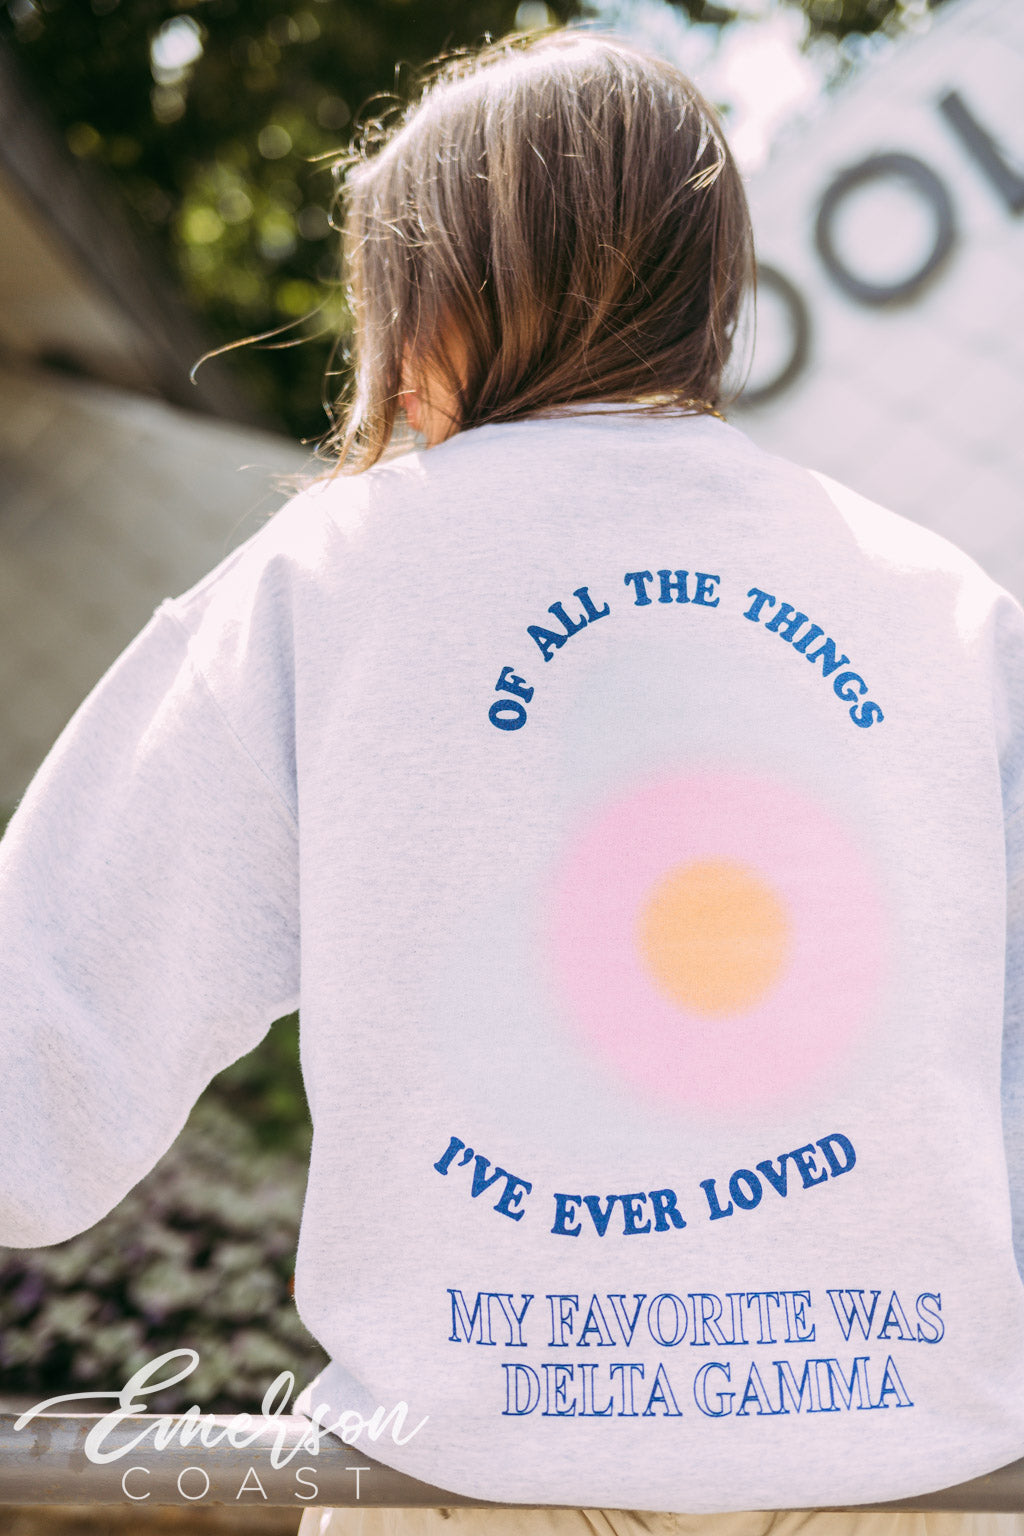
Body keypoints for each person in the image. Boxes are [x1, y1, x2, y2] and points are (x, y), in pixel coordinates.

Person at [3, 24, 1024, 1536]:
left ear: (431, 292)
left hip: (473, 1474)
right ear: (709, 283)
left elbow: (43, 1040)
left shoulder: (329, 577)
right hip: (920, 1471)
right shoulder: (948, 609)